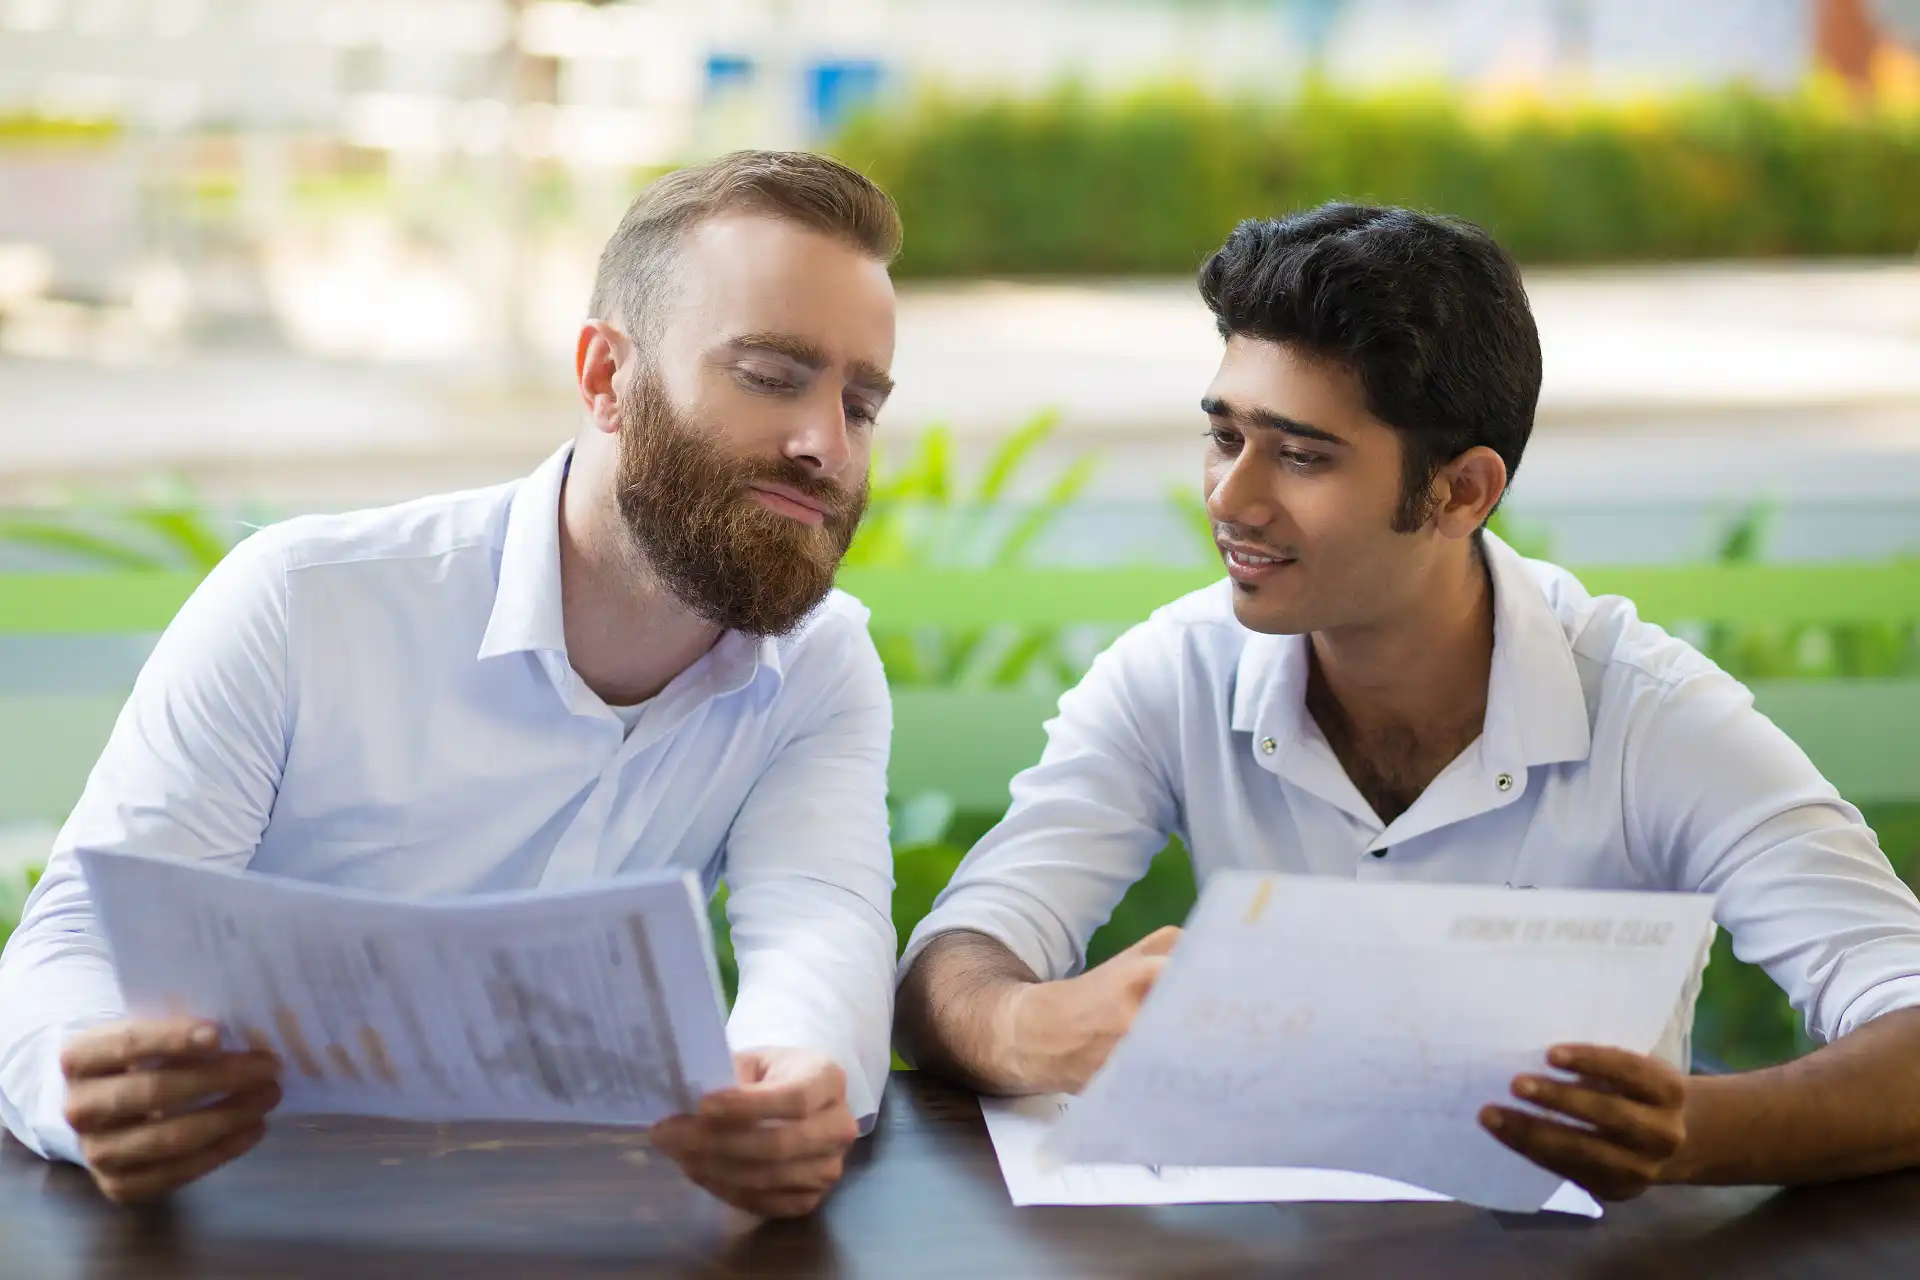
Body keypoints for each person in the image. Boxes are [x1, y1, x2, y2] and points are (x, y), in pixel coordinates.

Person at [896, 203, 1920, 1202]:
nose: (1230, 497)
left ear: (1462, 492)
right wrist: (1033, 1025)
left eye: (1299, 454)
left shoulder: (1652, 715)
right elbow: (959, 955)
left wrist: (1686, 1130)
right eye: (1225, 435)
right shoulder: (1175, 669)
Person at [0, 150, 902, 1218]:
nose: (824, 445)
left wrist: (794, 1077)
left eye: (861, 401)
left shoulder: (822, 660)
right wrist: (79, 1082)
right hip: (257, 1206)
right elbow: (76, 937)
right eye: (770, 375)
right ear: (606, 378)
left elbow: (820, 923)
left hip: (587, 1217)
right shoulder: (301, 602)